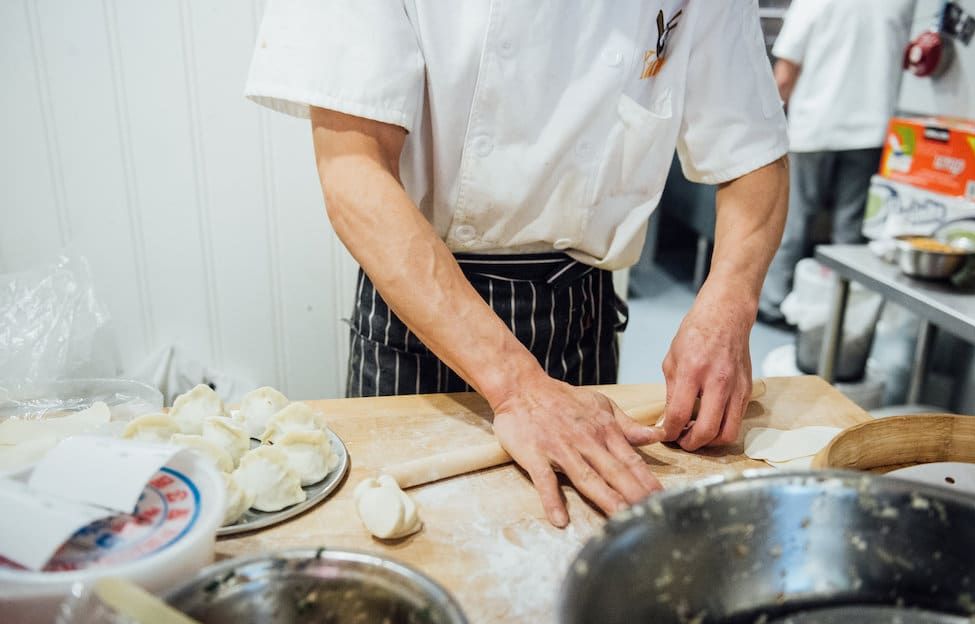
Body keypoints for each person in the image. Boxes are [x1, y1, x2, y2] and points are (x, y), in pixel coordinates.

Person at [246, 1, 789, 527]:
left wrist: (728, 307)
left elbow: (752, 152)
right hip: (423, 317)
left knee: (577, 553)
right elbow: (354, 174)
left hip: (580, 312)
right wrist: (517, 386)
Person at [758, 0, 915, 324]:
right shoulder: (901, 4)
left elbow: (785, 74)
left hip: (815, 127)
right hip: (871, 130)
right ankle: (840, 316)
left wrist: (762, 124)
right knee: (849, 230)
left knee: (792, 219)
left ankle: (772, 305)